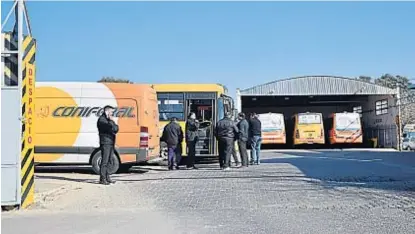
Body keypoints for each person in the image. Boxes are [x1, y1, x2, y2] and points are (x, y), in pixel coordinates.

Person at [97, 105, 119, 185]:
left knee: (110, 160)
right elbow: (109, 127)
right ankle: (102, 179)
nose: (112, 113)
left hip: (111, 142)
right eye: (111, 112)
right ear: (107, 111)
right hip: (105, 143)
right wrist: (111, 122)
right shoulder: (101, 120)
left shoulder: (109, 120)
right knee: (104, 161)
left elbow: (116, 129)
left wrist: (112, 122)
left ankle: (107, 177)